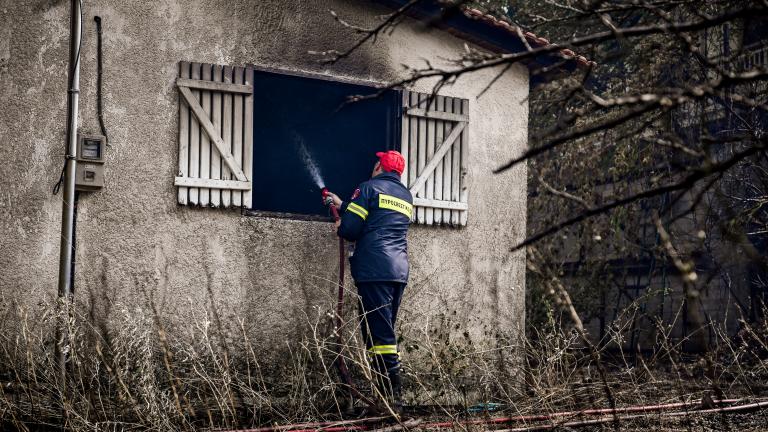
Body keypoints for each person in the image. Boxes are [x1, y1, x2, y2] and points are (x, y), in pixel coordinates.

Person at [324, 150, 413, 412]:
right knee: (380, 334)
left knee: (379, 336)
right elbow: (377, 217)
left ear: (379, 167)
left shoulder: (368, 188)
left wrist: (341, 224)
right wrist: (343, 205)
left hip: (374, 268)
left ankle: (393, 401)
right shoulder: (404, 195)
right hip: (397, 271)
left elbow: (351, 229)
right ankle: (385, 399)